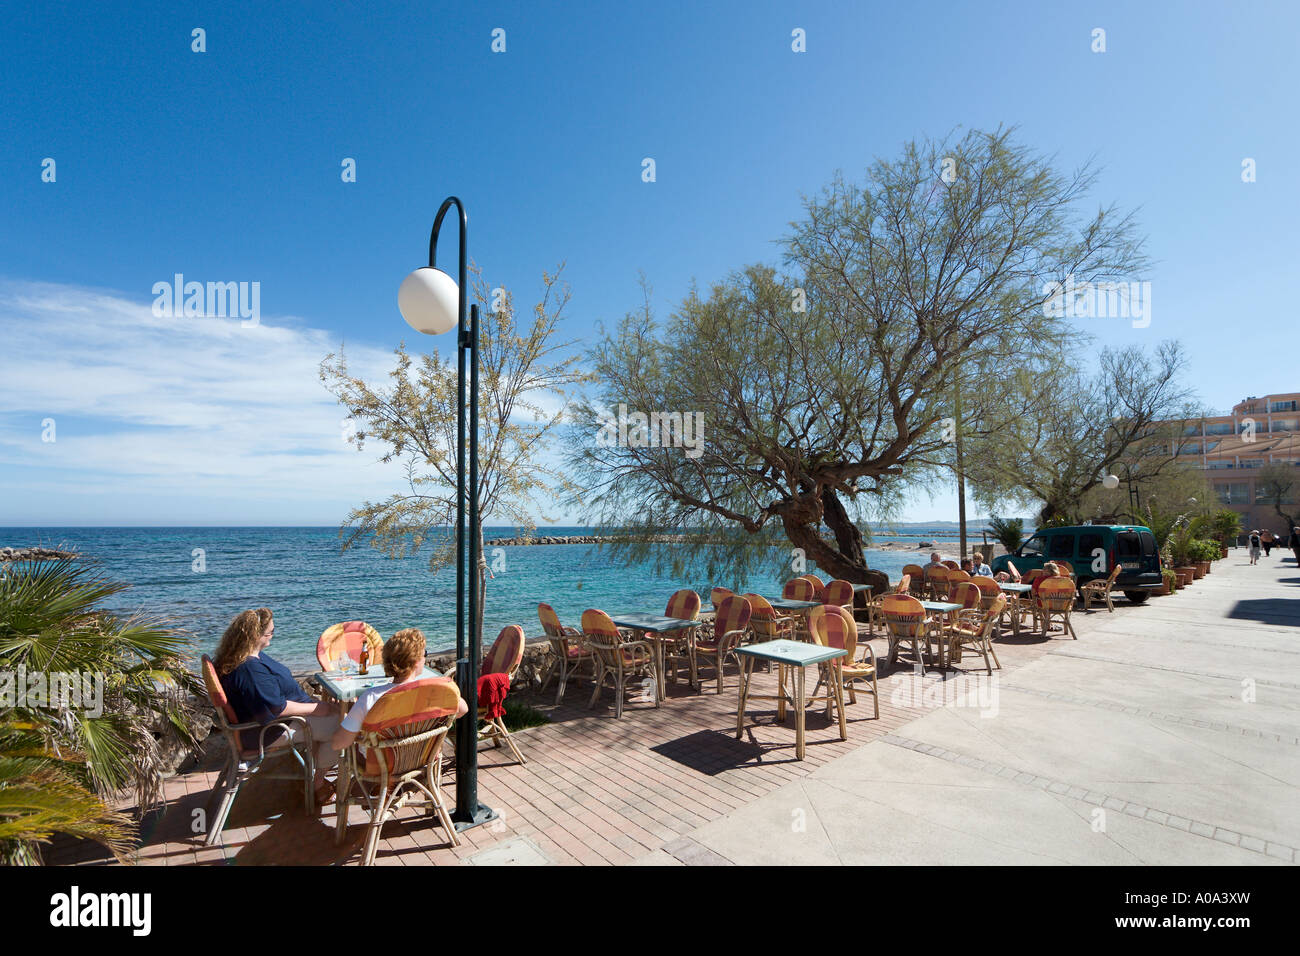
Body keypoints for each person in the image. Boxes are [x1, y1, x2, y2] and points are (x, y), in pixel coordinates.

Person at [215, 608, 342, 806]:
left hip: (272, 723)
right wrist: (318, 709)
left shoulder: (241, 656)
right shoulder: (249, 669)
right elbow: (276, 708)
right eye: (270, 633)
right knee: (342, 726)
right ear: (256, 636)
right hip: (268, 731)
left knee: (337, 716)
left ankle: (309, 773)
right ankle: (316, 784)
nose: (272, 636)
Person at [331, 628, 467, 754]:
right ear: (416, 662)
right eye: (424, 654)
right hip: (421, 757)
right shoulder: (435, 691)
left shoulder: (371, 697)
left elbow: (338, 744)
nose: (425, 658)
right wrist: (431, 725)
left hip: (382, 767)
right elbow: (463, 709)